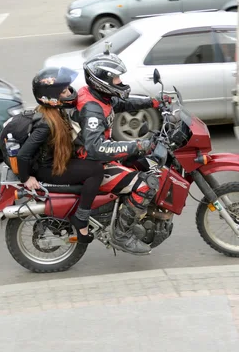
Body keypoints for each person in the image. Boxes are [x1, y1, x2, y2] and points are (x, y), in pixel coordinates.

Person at [71, 48, 170, 255]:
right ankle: (122, 235)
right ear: (103, 80)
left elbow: (122, 102)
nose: (119, 81)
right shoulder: (92, 110)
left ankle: (122, 211)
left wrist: (154, 103)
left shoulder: (99, 96)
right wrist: (136, 145)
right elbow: (96, 148)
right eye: (116, 78)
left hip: (95, 157)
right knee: (145, 186)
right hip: (90, 162)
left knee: (141, 163)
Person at [15, 66, 104, 244]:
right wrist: (26, 178)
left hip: (56, 161)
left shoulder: (56, 112)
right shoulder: (46, 124)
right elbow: (24, 155)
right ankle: (81, 219)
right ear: (52, 96)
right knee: (96, 171)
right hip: (48, 169)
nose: (69, 92)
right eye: (64, 91)